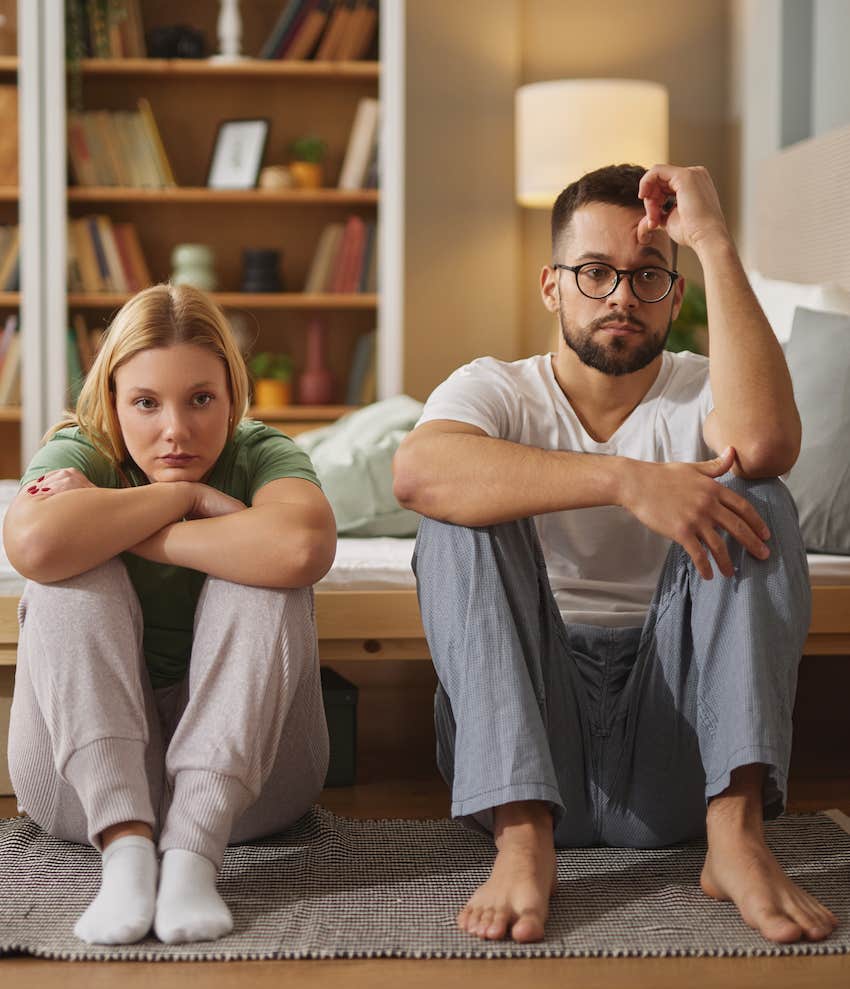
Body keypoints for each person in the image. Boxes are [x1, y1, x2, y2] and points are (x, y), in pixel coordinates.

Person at [393, 163, 839, 945]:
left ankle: (735, 838)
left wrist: (711, 238)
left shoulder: (707, 389)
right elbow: (417, 474)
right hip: (529, 732)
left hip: (679, 741)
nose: (621, 297)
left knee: (757, 487)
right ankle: (523, 836)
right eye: (595, 273)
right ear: (550, 286)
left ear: (675, 291)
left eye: (647, 277)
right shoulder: (497, 387)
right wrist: (627, 481)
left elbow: (767, 443)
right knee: (457, 507)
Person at [3, 283, 336, 946]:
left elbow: (300, 545)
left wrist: (142, 515)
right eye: (146, 403)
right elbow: (35, 544)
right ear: (113, 401)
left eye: (201, 400)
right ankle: (125, 851)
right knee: (70, 573)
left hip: (253, 789)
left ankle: (190, 855)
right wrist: (188, 498)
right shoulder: (82, 452)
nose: (176, 430)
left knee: (265, 576)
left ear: (234, 399)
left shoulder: (263, 452)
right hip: (77, 793)